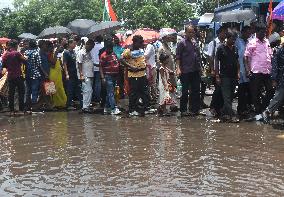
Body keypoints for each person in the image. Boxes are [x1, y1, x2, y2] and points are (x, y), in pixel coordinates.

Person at [244, 24, 274, 114]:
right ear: (257, 32)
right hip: (256, 71)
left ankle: (263, 107)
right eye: (262, 32)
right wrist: (247, 70)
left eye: (265, 31)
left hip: (267, 71)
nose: (264, 33)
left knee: (270, 90)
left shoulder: (267, 42)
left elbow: (270, 54)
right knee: (255, 92)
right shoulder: (252, 42)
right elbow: (245, 57)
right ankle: (258, 111)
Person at [176, 25, 202, 116]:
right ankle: (183, 110)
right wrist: (178, 68)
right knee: (185, 91)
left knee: (195, 90)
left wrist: (200, 68)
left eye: (193, 32)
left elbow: (198, 56)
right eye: (189, 32)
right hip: (185, 70)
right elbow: (178, 57)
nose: (191, 34)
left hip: (195, 70)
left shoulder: (195, 42)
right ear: (186, 33)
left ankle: (194, 109)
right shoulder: (182, 43)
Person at [121, 35, 149, 116]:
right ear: (135, 42)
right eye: (140, 43)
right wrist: (131, 66)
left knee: (144, 92)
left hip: (142, 74)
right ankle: (132, 109)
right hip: (133, 75)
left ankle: (145, 108)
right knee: (134, 93)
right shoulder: (128, 51)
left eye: (141, 42)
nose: (141, 44)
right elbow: (121, 59)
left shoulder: (140, 49)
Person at [215, 31, 239, 121]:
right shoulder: (221, 48)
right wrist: (217, 75)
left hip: (233, 75)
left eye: (235, 39)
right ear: (227, 38)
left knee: (231, 95)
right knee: (227, 96)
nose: (234, 41)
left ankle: (224, 113)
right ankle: (232, 116)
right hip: (224, 76)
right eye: (232, 39)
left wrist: (238, 73)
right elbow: (217, 62)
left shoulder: (235, 48)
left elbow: (237, 62)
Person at [261, 33, 282, 123]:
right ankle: (267, 111)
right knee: (279, 96)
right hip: (281, 79)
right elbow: (274, 67)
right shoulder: (278, 51)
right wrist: (273, 79)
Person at [207, 26, 228, 116]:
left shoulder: (226, 43)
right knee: (218, 89)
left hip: (224, 70)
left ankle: (220, 108)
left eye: (226, 33)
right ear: (219, 33)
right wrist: (212, 70)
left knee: (223, 90)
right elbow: (210, 57)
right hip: (216, 70)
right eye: (224, 32)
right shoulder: (213, 43)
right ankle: (212, 107)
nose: (225, 34)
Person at [1, 40, 26, 115]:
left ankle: (11, 110)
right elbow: (25, 61)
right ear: (16, 45)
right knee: (21, 92)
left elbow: (4, 66)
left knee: (11, 93)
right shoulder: (17, 53)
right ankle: (21, 109)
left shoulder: (5, 55)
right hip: (18, 76)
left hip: (10, 76)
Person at [157, 31, 178, 112]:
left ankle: (172, 105)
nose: (170, 38)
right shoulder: (161, 48)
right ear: (163, 38)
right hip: (165, 72)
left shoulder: (169, 47)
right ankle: (163, 107)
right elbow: (159, 61)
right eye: (168, 37)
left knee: (172, 88)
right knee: (164, 89)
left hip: (170, 71)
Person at [99, 40, 121, 115]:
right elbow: (100, 67)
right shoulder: (103, 56)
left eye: (111, 48)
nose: (110, 50)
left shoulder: (113, 53)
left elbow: (117, 62)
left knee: (110, 92)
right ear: (106, 48)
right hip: (108, 76)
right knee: (111, 93)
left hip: (114, 76)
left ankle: (107, 107)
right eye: (109, 48)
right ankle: (113, 108)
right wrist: (103, 78)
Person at [235, 26, 252, 116]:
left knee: (247, 90)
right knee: (241, 91)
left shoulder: (248, 42)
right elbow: (236, 57)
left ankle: (245, 107)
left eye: (250, 33)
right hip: (240, 70)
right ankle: (240, 109)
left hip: (248, 70)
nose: (248, 35)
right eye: (247, 33)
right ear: (243, 32)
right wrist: (238, 71)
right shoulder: (237, 42)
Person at [25, 40, 46, 111]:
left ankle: (27, 106)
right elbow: (39, 65)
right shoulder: (36, 53)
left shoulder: (26, 53)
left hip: (27, 74)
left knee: (28, 90)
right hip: (35, 74)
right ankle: (34, 106)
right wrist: (45, 73)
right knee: (35, 90)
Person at [63, 39, 81, 110]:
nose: (75, 45)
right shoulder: (66, 53)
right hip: (70, 74)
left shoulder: (74, 52)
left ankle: (81, 103)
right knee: (70, 89)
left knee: (77, 88)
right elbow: (65, 64)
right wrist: (66, 74)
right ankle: (68, 104)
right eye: (74, 44)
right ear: (69, 44)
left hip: (75, 73)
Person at [78, 39, 95, 113]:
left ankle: (87, 106)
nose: (91, 48)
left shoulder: (89, 52)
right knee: (87, 91)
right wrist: (81, 74)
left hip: (90, 74)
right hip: (85, 75)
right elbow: (79, 63)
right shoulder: (81, 52)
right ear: (87, 45)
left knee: (89, 91)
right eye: (91, 47)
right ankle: (85, 107)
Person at [49, 42, 67, 109]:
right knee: (53, 88)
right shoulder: (49, 54)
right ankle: (53, 103)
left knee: (59, 88)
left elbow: (58, 62)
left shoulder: (54, 53)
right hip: (52, 73)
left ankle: (61, 103)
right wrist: (56, 52)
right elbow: (53, 64)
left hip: (58, 73)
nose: (52, 48)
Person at [91, 35, 104, 103]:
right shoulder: (102, 46)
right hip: (99, 67)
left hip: (92, 66)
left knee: (92, 83)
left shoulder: (92, 46)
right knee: (98, 83)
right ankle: (98, 98)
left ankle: (93, 97)